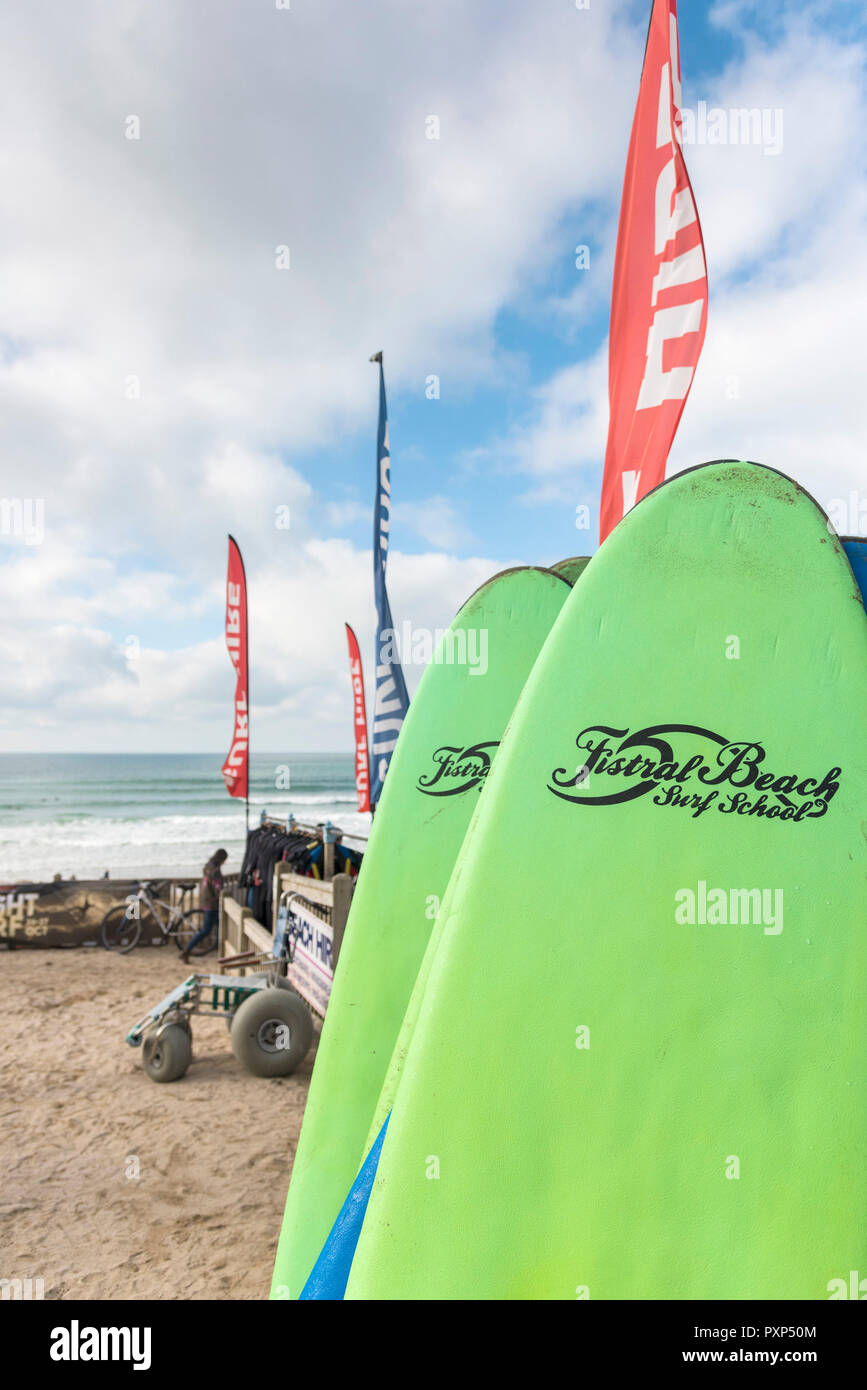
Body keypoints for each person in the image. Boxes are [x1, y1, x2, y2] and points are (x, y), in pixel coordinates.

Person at [181, 848, 227, 962]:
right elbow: (218, 888)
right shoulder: (215, 871)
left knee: (221, 927)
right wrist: (224, 893)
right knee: (206, 930)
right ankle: (186, 950)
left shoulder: (207, 866)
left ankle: (222, 950)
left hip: (205, 900)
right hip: (212, 903)